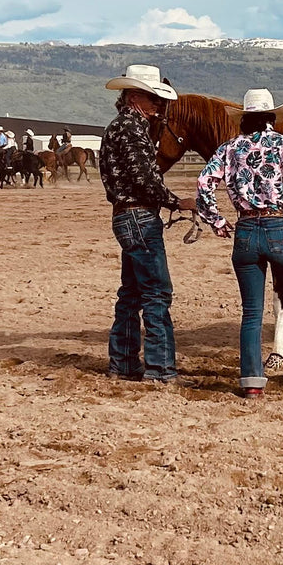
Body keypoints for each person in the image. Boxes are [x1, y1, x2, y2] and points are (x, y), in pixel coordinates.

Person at [197, 88, 283, 399]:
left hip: (245, 229)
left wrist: (216, 220)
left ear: (244, 118)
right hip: (280, 226)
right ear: (273, 118)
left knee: (251, 311)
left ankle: (252, 380)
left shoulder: (229, 149)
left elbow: (204, 182)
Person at [100, 65, 196, 383]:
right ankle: (161, 368)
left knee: (131, 292)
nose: (158, 110)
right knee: (157, 293)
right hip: (140, 216)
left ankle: (124, 363)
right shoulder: (132, 129)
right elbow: (145, 179)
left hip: (124, 215)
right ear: (137, 97)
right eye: (155, 102)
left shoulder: (118, 127)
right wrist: (176, 202)